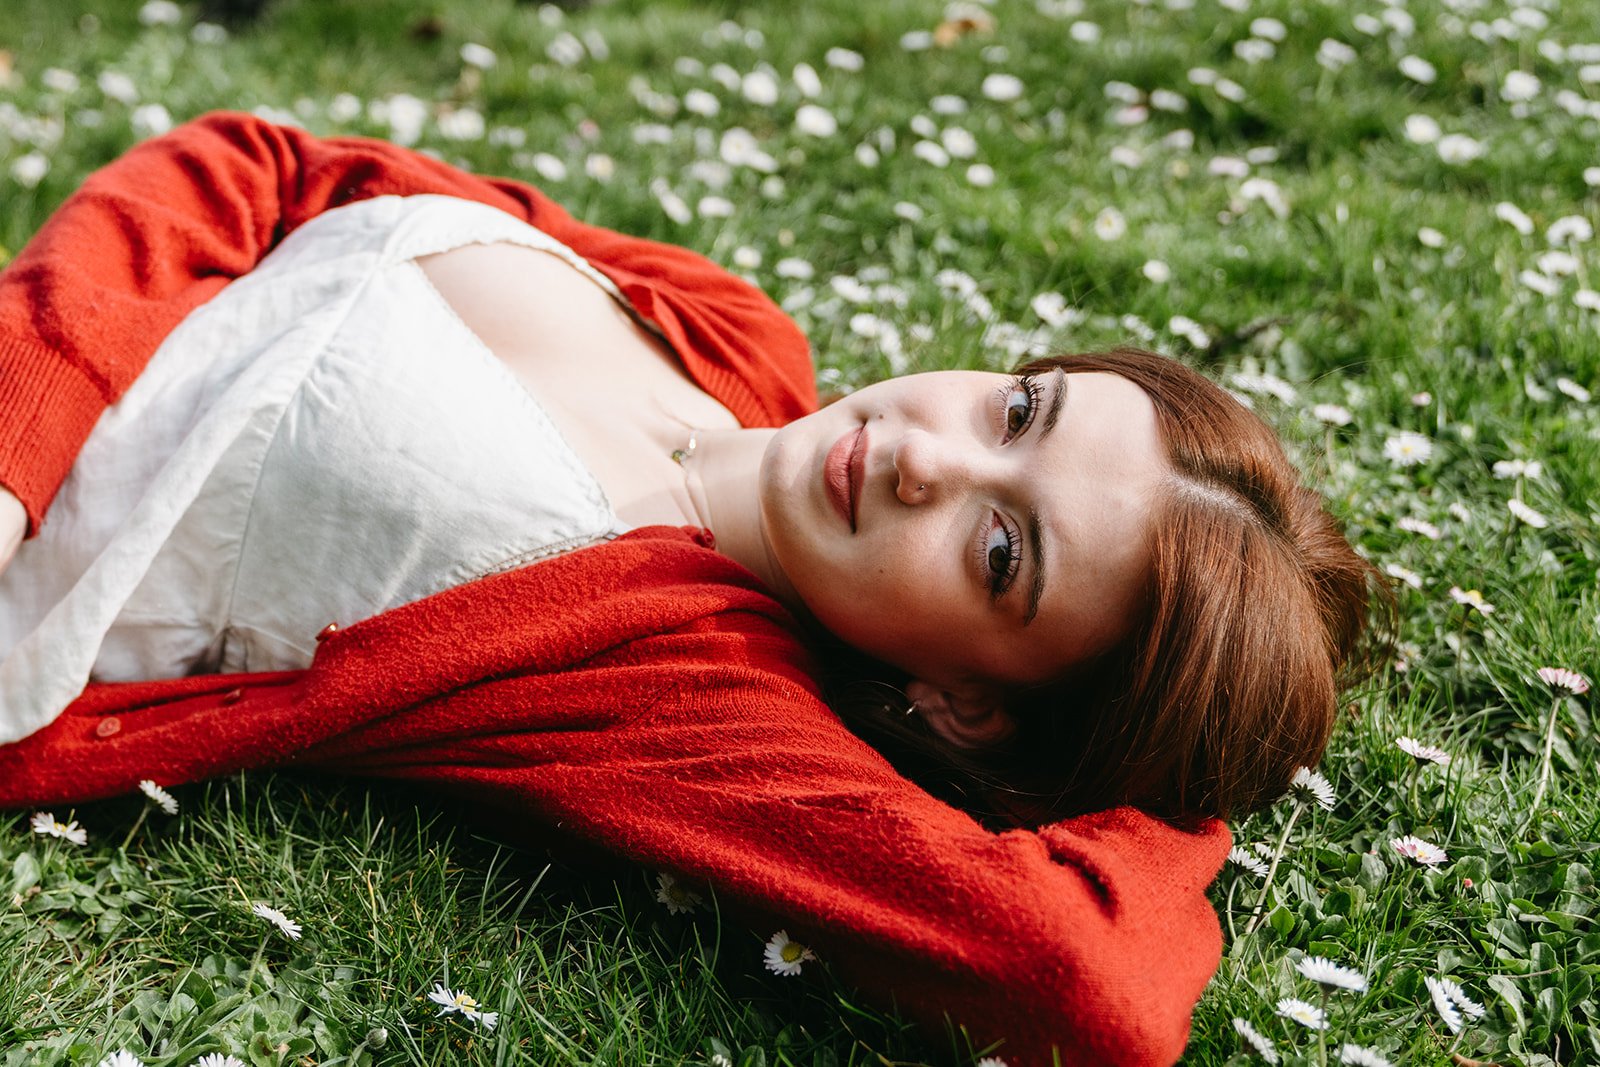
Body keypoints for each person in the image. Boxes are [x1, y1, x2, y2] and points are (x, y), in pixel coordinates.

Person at [0, 113, 1381, 1065]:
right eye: (1019, 410)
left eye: (1001, 553)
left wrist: (1174, 763)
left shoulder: (682, 685)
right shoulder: (730, 330)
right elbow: (272, 167)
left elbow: (1085, 988)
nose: (924, 457)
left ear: (965, 703)